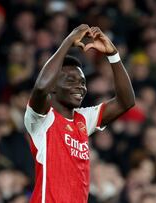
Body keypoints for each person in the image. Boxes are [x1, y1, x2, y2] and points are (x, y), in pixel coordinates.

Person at [23, 24, 135, 203]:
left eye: (82, 82)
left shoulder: (84, 119)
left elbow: (126, 101)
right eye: (70, 80)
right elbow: (41, 87)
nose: (80, 87)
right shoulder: (40, 120)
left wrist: (113, 55)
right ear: (54, 86)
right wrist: (68, 41)